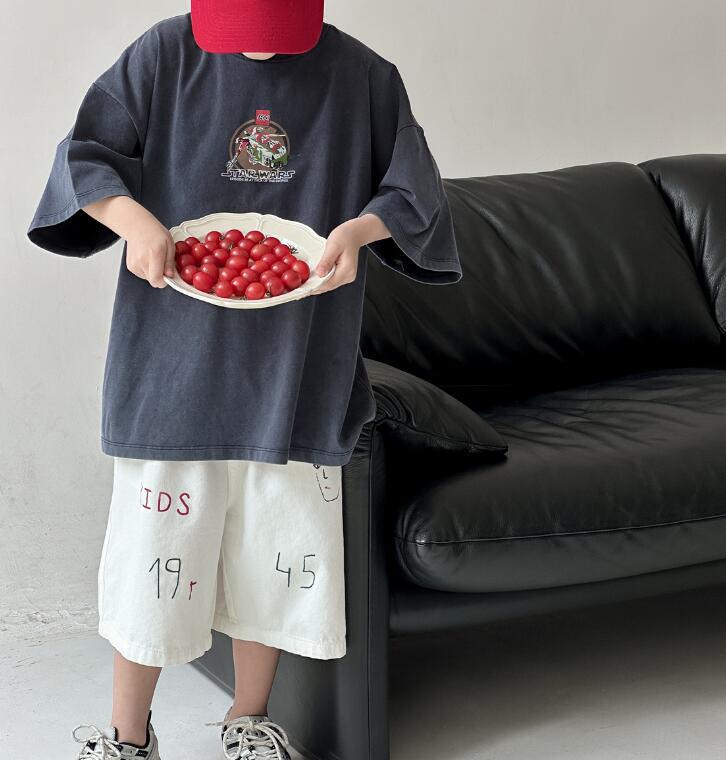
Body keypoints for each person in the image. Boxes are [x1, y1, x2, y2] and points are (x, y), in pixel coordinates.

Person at [27, 0, 462, 757]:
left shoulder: (362, 75)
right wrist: (134, 222)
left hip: (298, 369)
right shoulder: (162, 56)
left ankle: (249, 720)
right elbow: (84, 159)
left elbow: (412, 189)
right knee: (152, 560)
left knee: (275, 558)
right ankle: (128, 736)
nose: (258, 53)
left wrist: (359, 232)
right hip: (173, 369)